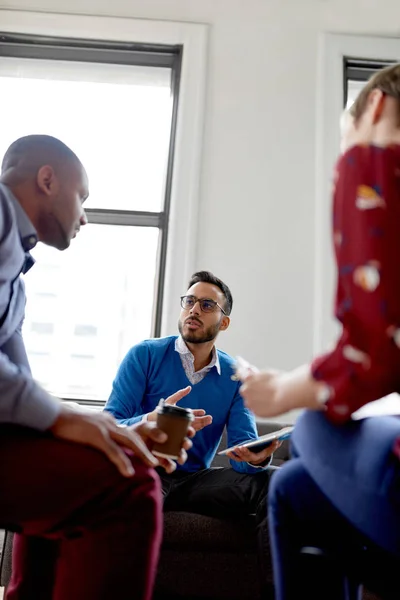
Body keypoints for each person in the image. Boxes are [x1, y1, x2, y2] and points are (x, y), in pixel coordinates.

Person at [0, 134, 193, 600]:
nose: (84, 215)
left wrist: (115, 429)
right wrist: (75, 420)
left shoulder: (15, 289)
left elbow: (21, 395)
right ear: (47, 179)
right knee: (125, 487)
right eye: (81, 196)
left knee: (104, 460)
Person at [239, 64, 400, 599]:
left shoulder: (374, 161)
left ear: (374, 107)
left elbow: (371, 357)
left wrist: (284, 391)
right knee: (292, 489)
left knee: (311, 427)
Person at [105, 270, 281, 592]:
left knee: (277, 480)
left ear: (223, 322)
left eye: (206, 304)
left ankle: (275, 590)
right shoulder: (144, 355)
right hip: (146, 471)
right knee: (133, 504)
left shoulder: (235, 376)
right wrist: (151, 421)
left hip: (193, 481)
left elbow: (241, 452)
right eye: (189, 302)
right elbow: (112, 424)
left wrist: (255, 457)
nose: (194, 310)